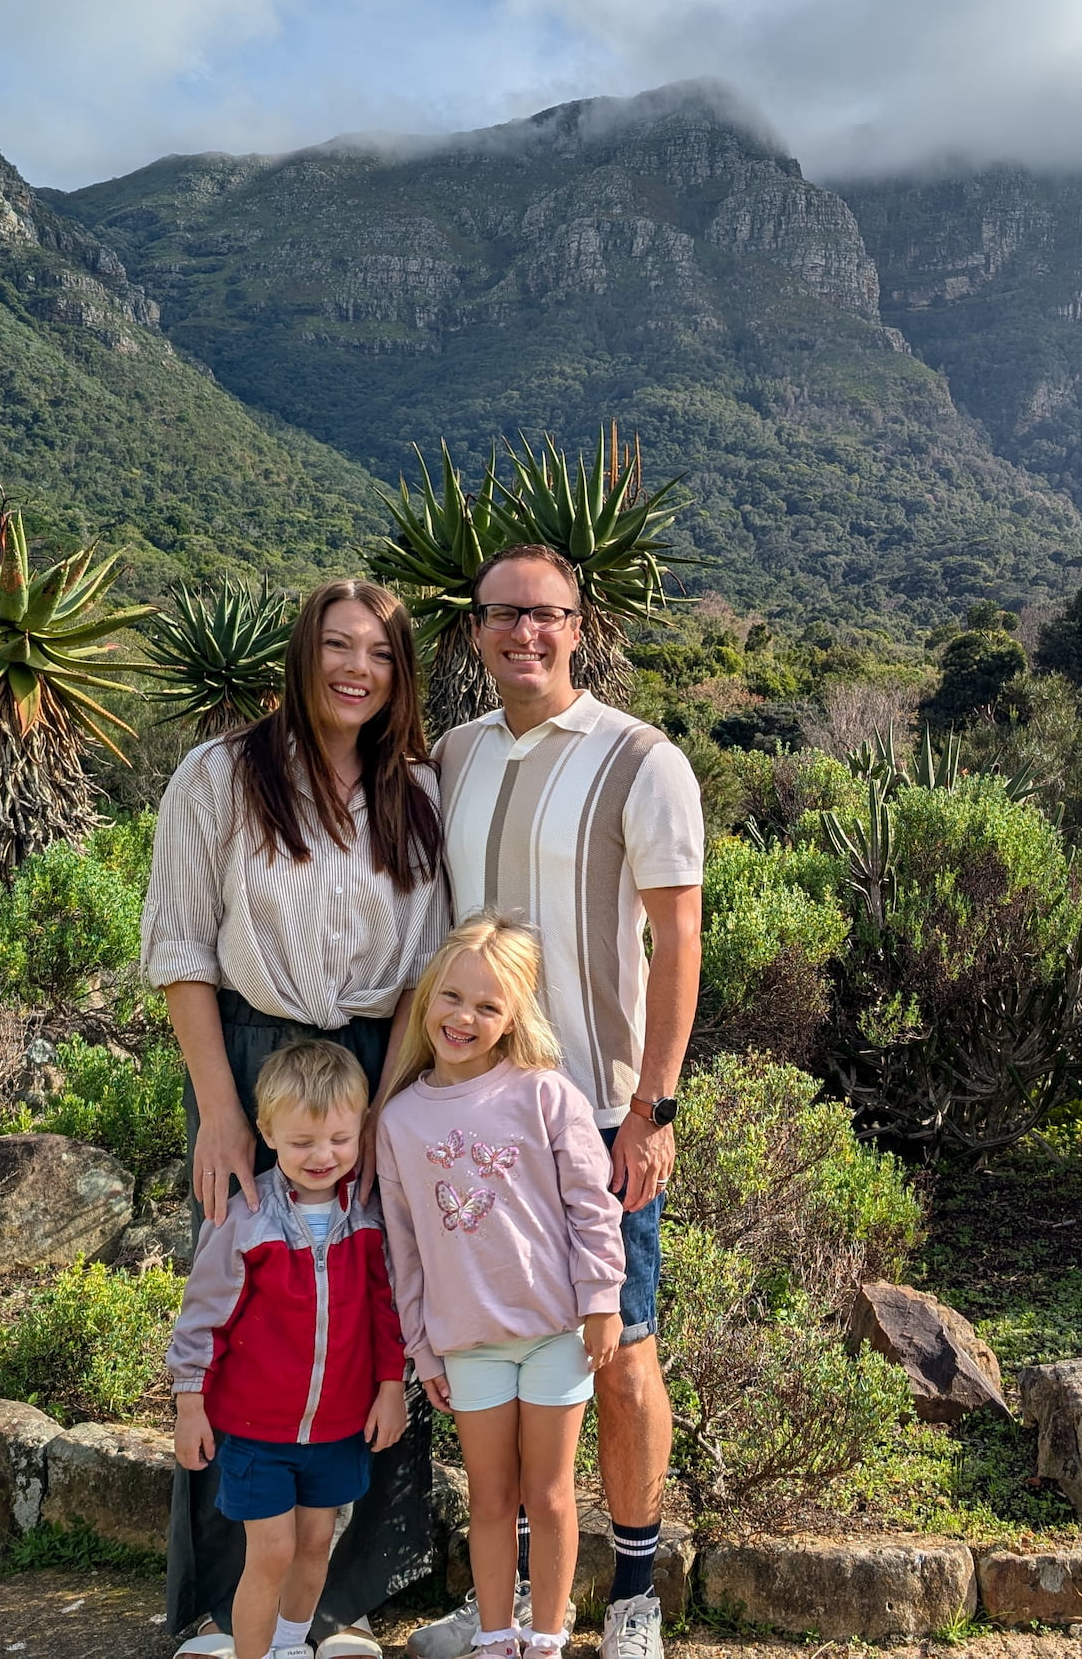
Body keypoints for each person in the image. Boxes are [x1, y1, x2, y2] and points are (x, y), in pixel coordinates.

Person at [142, 577, 448, 1658]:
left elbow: (423, 974)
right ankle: (220, 1608)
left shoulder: (417, 791)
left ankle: (340, 1602)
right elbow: (182, 949)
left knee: (371, 1299)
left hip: (372, 1072)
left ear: (401, 674)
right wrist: (220, 1111)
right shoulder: (220, 775)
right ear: (302, 652)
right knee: (248, 1307)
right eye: (338, 645)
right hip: (253, 1065)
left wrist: (396, 1113)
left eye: (381, 652)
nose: (357, 668)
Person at [409, 544, 702, 1659]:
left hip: (599, 1118)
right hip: (473, 1118)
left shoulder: (642, 760)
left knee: (620, 1351)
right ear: (476, 630)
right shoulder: (454, 755)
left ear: (580, 626)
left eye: (546, 615)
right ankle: (513, 1606)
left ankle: (633, 1596)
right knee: (491, 1353)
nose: (523, 633)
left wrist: (655, 1108)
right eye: (503, 614)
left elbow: (679, 938)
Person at [375, 914, 626, 1659]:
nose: (464, 1017)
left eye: (488, 1006)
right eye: (452, 997)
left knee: (548, 1494)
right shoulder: (400, 1120)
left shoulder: (546, 1094)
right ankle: (494, 1635)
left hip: (555, 1335)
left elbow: (591, 1205)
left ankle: (545, 1637)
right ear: (427, 997)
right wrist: (423, 1348)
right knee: (489, 1497)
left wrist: (602, 1300)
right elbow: (404, 1250)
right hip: (470, 1345)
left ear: (514, 1015)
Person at [168, 1041, 408, 1659]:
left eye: (339, 1139)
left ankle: (290, 1644)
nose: (322, 1156)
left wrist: (391, 1388)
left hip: (339, 1429)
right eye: (302, 1142)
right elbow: (203, 1318)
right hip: (258, 1434)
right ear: (267, 1133)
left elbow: (388, 1313)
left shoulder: (370, 1217)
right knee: (271, 1551)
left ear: (362, 1129)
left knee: (315, 1545)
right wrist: (190, 1403)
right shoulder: (244, 1219)